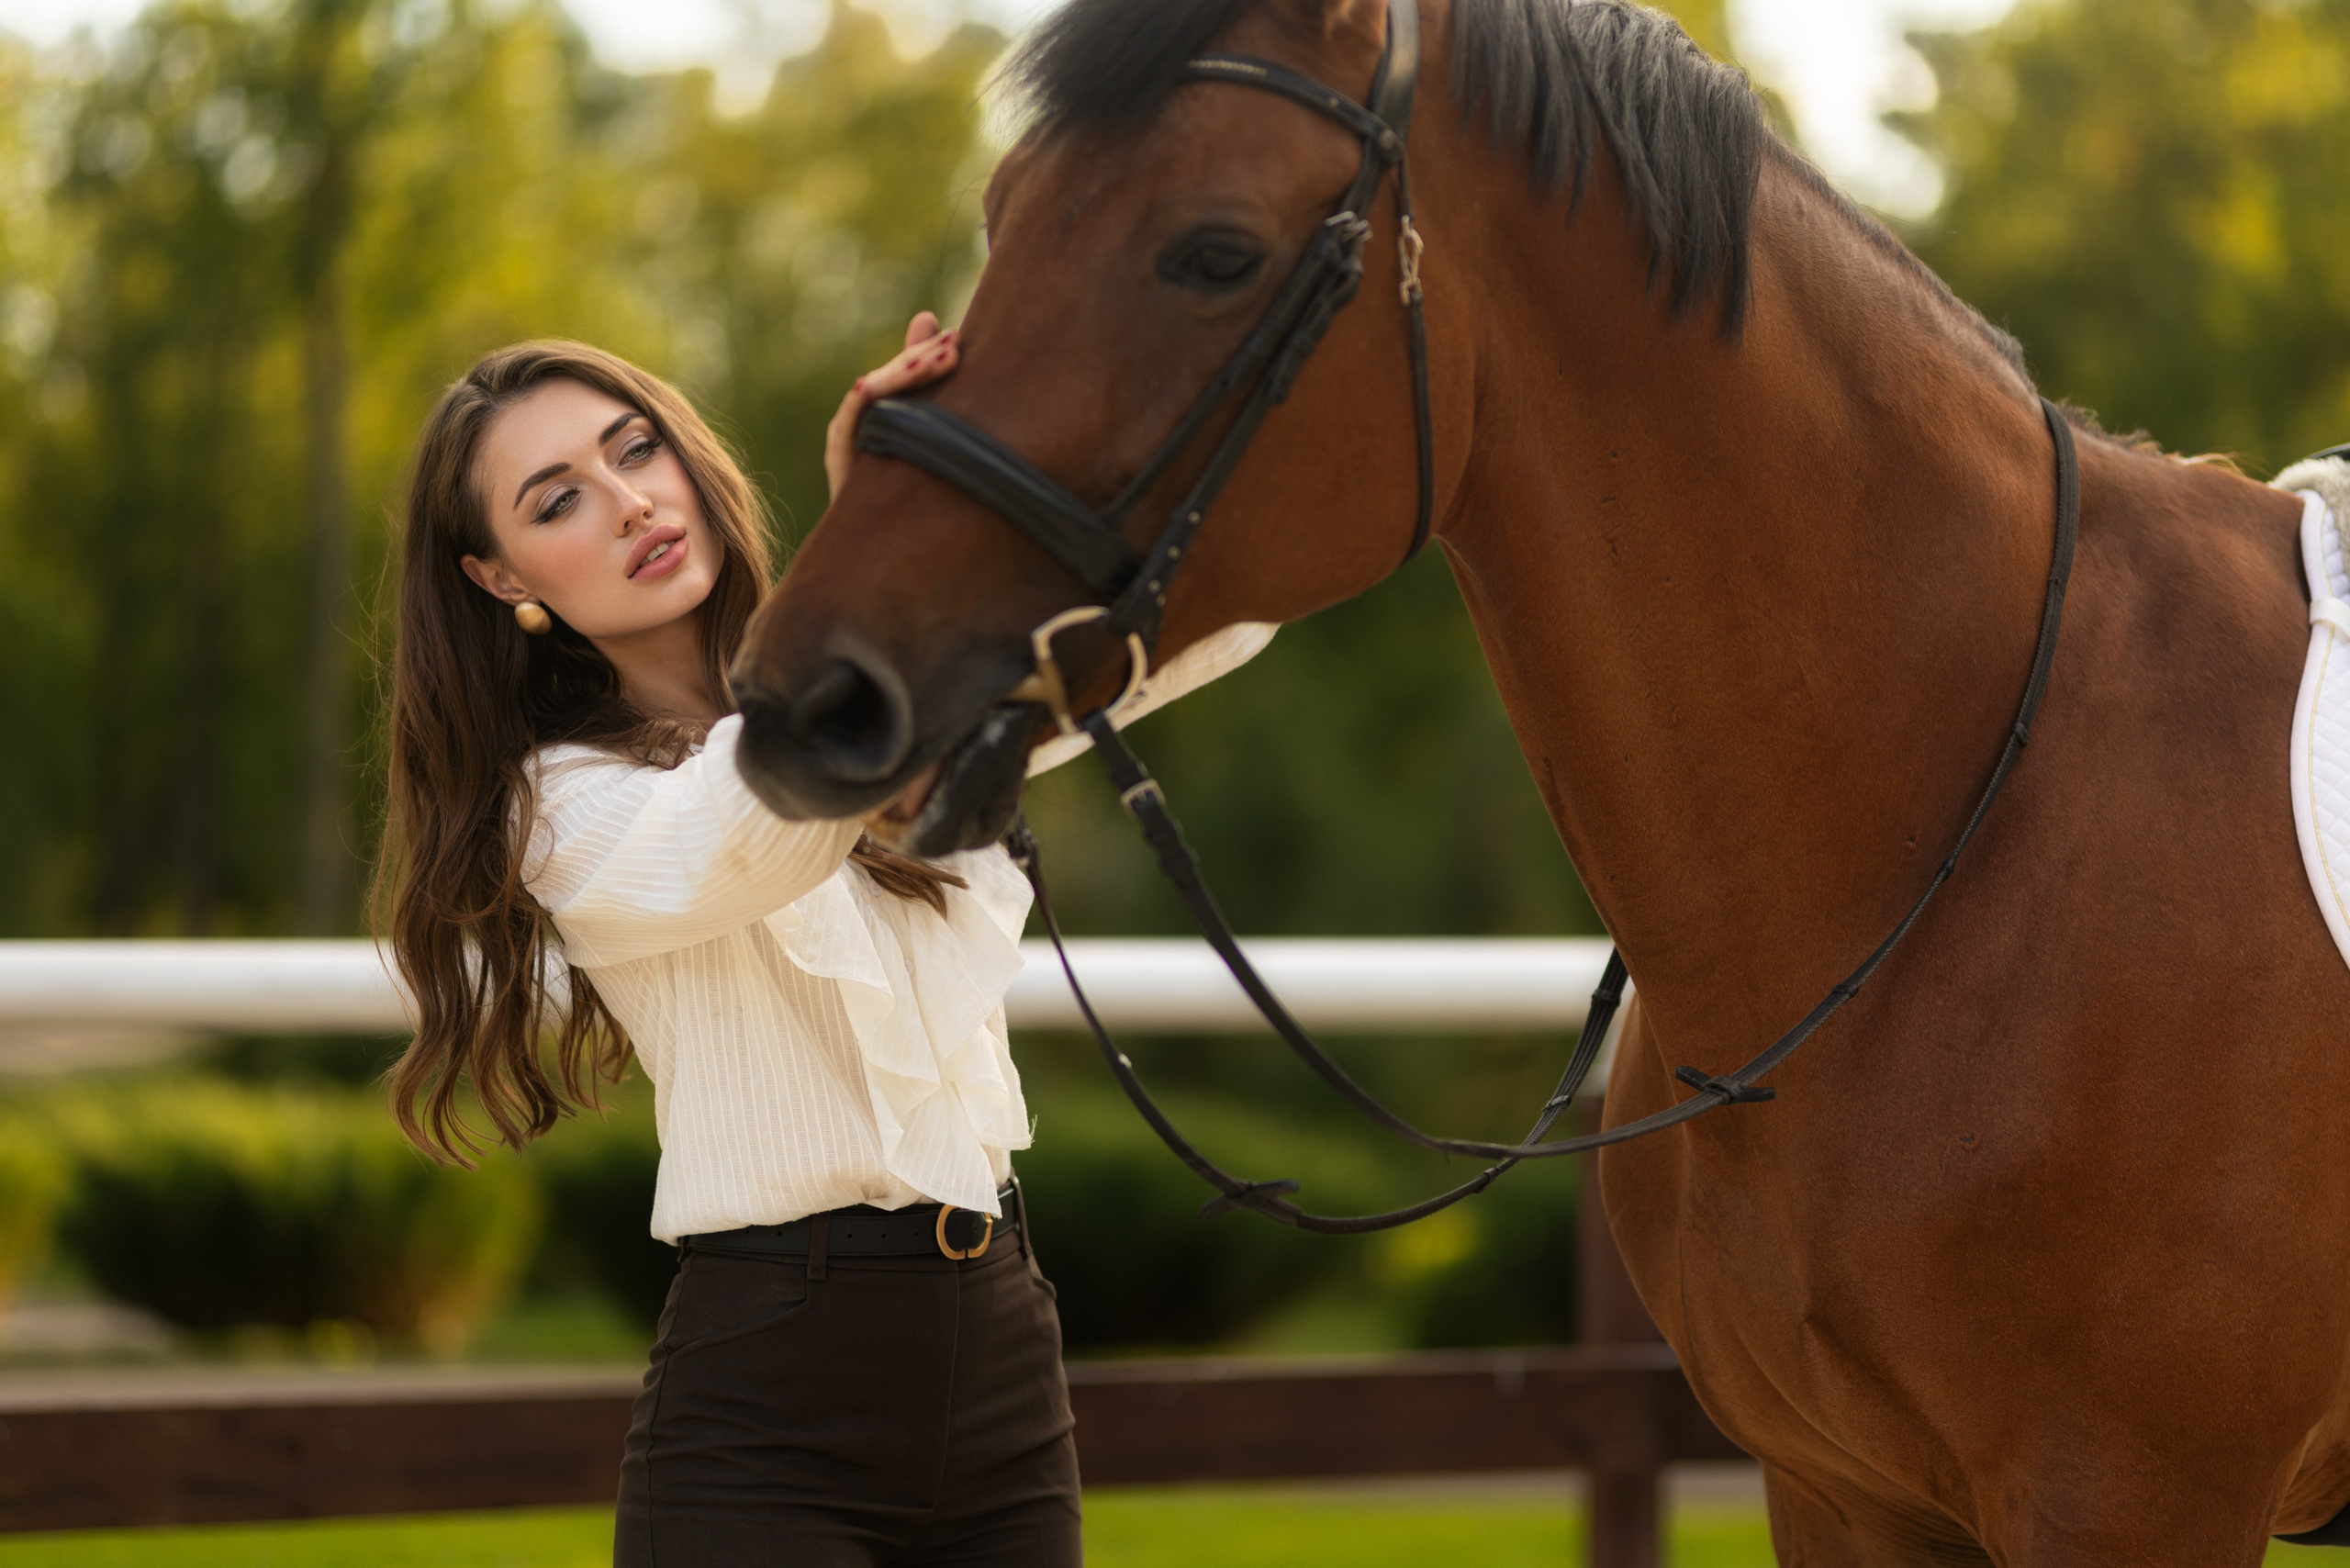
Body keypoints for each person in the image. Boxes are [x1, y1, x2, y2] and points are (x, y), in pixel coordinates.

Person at [375, 313, 1084, 1566]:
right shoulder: (557, 802)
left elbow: (1141, 644)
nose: (631, 502)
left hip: (1007, 1366)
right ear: (504, 580)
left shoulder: (885, 695)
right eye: (558, 500)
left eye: (634, 449)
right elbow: (746, 828)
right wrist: (878, 523)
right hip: (770, 1409)